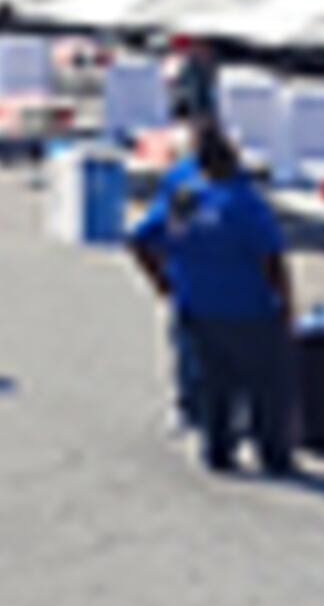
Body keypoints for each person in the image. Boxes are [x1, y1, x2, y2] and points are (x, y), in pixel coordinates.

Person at [128, 127, 300, 476]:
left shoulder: (184, 200)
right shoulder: (245, 202)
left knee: (214, 384)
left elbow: (141, 240)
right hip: (251, 311)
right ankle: (274, 454)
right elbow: (271, 259)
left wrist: (163, 283)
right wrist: (286, 305)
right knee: (268, 388)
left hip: (198, 307)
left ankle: (218, 450)